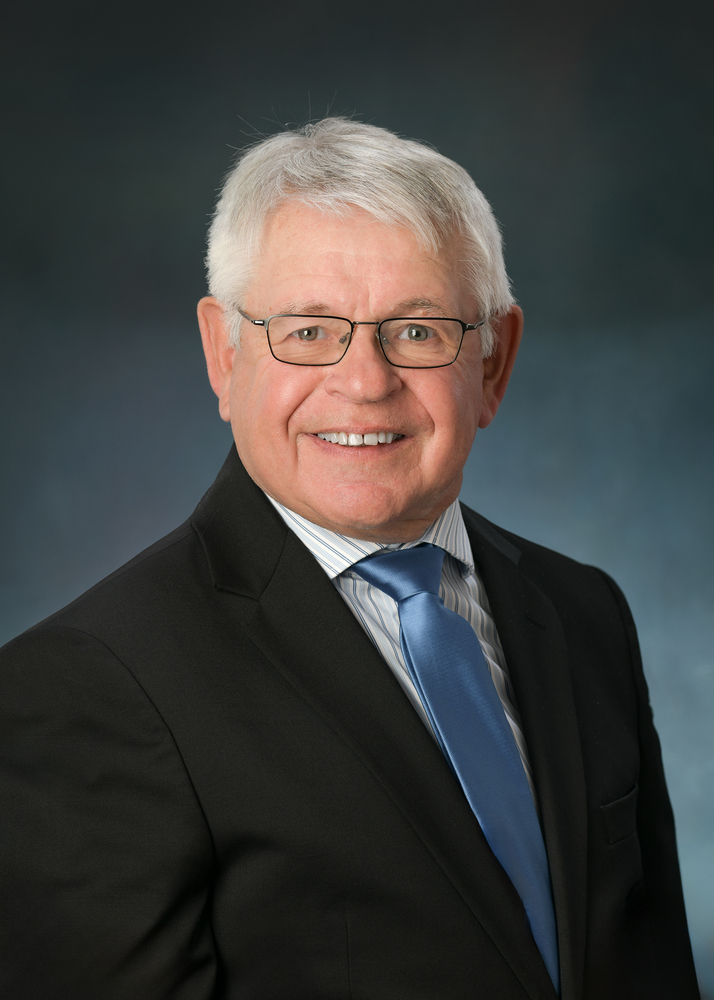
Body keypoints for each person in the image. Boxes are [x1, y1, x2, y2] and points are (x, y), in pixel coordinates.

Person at [0, 118, 699, 1000]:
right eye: (307, 330)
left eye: (418, 331)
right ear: (224, 354)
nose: (365, 382)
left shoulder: (584, 612)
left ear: (494, 362)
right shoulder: (84, 689)